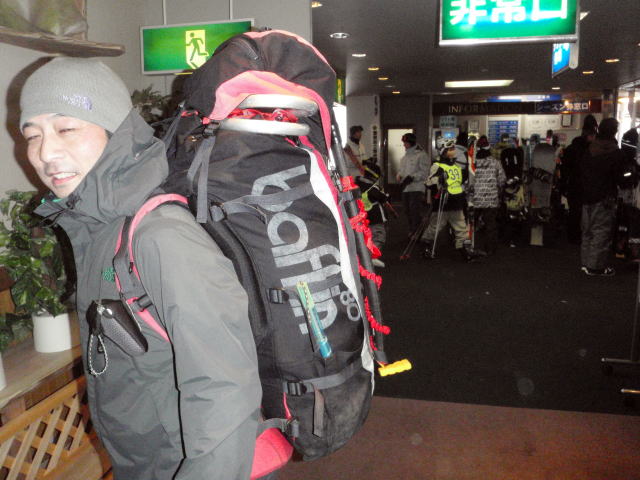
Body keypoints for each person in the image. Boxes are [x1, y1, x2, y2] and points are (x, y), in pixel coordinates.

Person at [19, 58, 262, 479]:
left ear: (117, 133)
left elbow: (226, 394)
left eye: (66, 128)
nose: (45, 153)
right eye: (32, 135)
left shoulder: (161, 237)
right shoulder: (98, 227)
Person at [579, 117, 629, 276]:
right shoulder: (615, 153)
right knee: (601, 232)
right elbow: (622, 178)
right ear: (614, 132)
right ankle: (595, 267)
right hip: (605, 197)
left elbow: (581, 173)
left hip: (587, 196)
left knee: (587, 231)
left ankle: (586, 263)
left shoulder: (590, 149)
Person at [421, 140, 473, 262]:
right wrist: (439, 179)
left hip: (456, 202)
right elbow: (428, 183)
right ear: (443, 152)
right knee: (435, 227)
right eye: (450, 149)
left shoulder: (456, 167)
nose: (453, 151)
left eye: (453, 148)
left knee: (461, 228)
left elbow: (459, 183)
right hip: (443, 203)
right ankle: (426, 246)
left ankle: (465, 251)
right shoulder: (437, 166)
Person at [468, 137, 506, 255]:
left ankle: (469, 247)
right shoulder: (495, 162)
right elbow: (502, 179)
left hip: (475, 199)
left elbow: (468, 181)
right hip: (491, 199)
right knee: (490, 224)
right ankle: (490, 249)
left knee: (471, 223)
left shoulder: (473, 163)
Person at [560, 126, 597, 244]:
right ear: (589, 136)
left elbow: (564, 169)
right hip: (583, 185)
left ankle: (572, 235)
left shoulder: (571, 148)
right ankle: (579, 235)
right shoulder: (589, 150)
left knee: (573, 211)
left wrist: (563, 185)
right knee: (583, 212)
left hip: (572, 184)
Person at [356, 159, 390, 267]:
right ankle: (371, 257)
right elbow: (383, 198)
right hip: (375, 218)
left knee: (363, 237)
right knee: (378, 236)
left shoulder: (356, 185)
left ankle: (361, 256)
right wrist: (386, 196)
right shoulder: (373, 188)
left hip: (361, 217)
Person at [397, 132, 429, 236]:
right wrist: (399, 175)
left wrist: (413, 177)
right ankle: (412, 230)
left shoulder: (421, 155)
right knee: (407, 211)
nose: (404, 145)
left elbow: (425, 172)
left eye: (405, 142)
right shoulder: (405, 156)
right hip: (405, 188)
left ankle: (417, 232)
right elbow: (401, 170)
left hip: (417, 188)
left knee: (415, 211)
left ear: (411, 142)